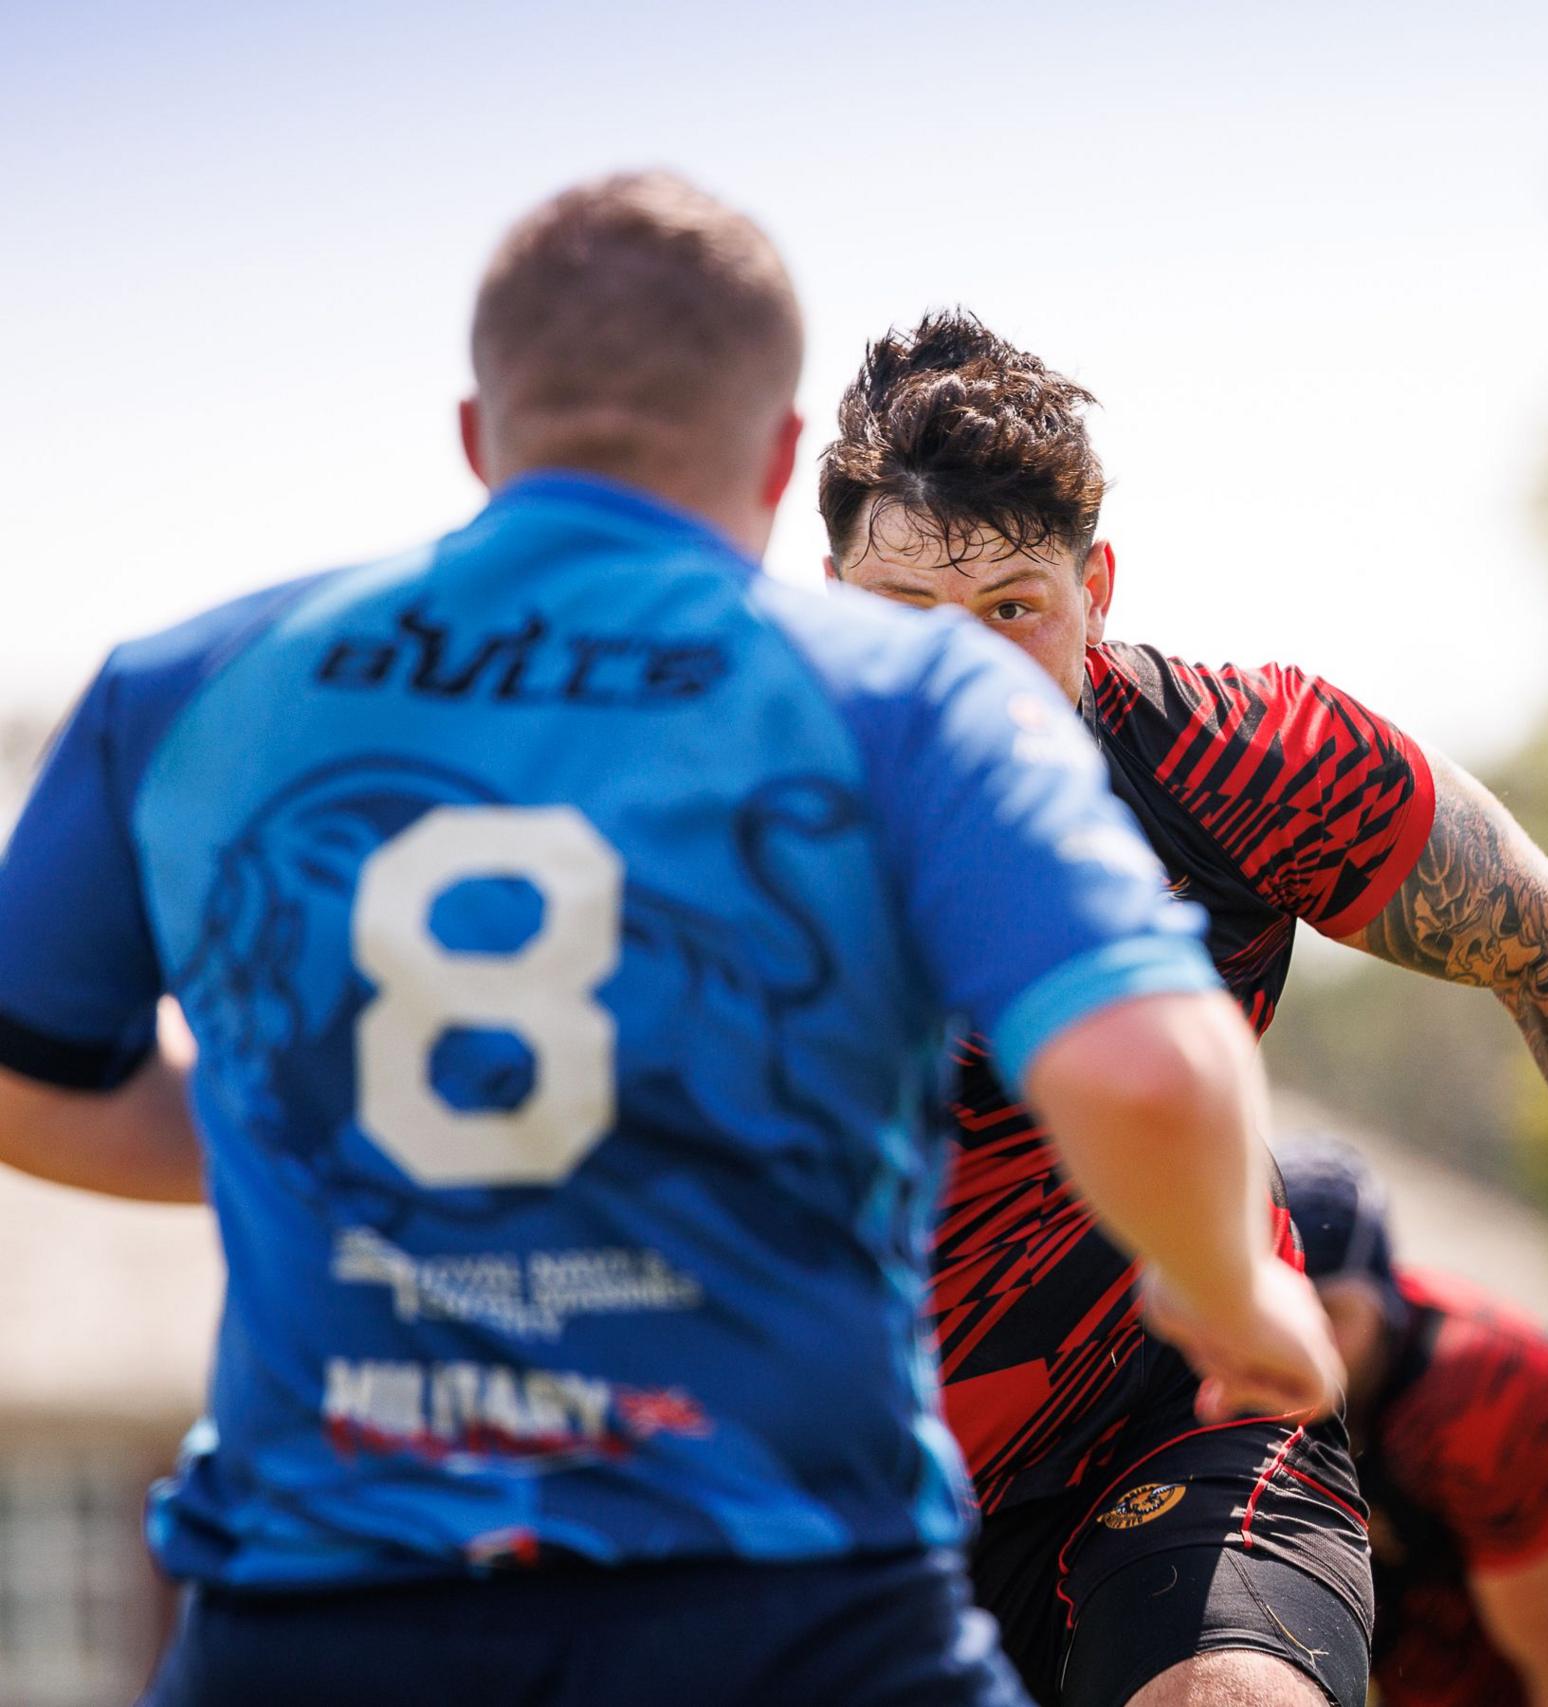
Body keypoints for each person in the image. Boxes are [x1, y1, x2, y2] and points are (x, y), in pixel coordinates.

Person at [0, 173, 1338, 1707]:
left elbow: (26, 1084)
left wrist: (315, 1119)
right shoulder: (910, 697)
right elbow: (1151, 1076)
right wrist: (1234, 1289)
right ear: (780, 462)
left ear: (474, 434)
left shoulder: (189, 686)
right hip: (789, 1612)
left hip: (317, 1617)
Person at [817, 311, 1548, 1707]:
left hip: (1177, 1427)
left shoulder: (1242, 764)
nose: (964, 677)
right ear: (828, 601)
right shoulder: (719, 813)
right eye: (907, 615)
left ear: (1098, 588)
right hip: (838, 1475)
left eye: (1014, 609)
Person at [1281, 1141, 1548, 1707]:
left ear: (1382, 1303)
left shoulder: (1486, 1396)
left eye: (1329, 1311)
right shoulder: (1231, 1371)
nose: (1302, 1340)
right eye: (1283, 1309)